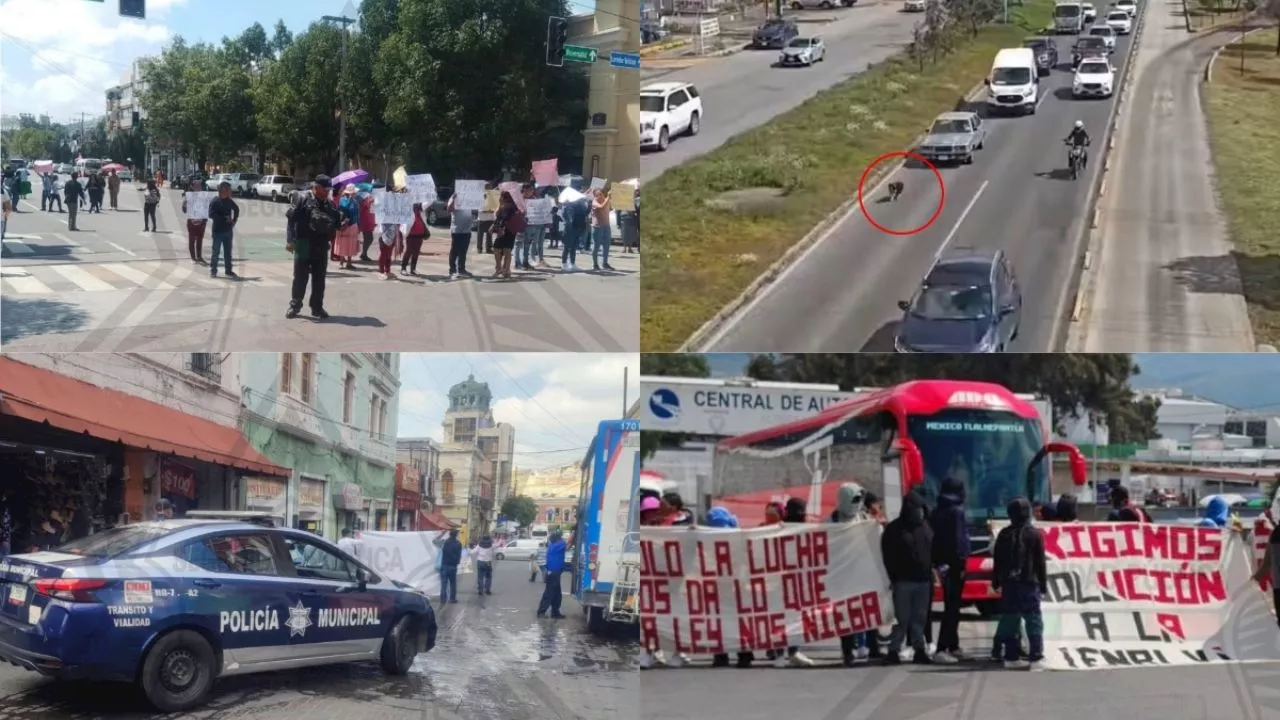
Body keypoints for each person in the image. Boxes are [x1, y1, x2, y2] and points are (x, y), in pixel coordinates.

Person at [991, 498, 1048, 671]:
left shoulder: (1004, 534)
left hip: (1009, 584)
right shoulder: (1035, 534)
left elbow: (997, 562)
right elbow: (1040, 563)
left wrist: (996, 582)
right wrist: (1043, 585)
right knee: (1033, 620)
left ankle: (1011, 656)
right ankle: (1036, 658)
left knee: (1010, 620)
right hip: (1029, 583)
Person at [881, 490, 934, 666]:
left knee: (920, 618)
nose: (919, 512)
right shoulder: (894, 529)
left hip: (923, 580)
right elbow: (887, 555)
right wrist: (892, 577)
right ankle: (894, 650)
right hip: (902, 581)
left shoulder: (925, 527)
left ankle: (919, 649)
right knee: (901, 619)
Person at [286, 174, 341, 319]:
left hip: (321, 245)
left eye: (329, 189)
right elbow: (291, 221)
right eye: (325, 189)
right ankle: (295, 305)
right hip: (303, 243)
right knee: (300, 277)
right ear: (316, 188)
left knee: (319, 278)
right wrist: (290, 240)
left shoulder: (329, 204)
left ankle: (317, 307)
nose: (328, 192)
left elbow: (336, 223)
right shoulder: (302, 199)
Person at [831, 483, 875, 663]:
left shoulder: (863, 518)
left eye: (860, 499)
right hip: (841, 575)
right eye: (855, 499)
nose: (858, 503)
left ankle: (864, 645)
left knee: (862, 611)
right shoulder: (831, 522)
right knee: (845, 615)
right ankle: (848, 649)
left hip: (861, 573)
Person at [930, 476, 970, 664]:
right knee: (952, 609)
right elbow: (959, 541)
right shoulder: (957, 512)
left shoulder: (936, 511)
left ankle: (953, 645)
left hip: (941, 565)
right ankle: (942, 648)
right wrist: (962, 564)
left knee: (950, 605)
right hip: (955, 566)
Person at [1251, 492, 1280, 624]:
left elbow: (1266, 565)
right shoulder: (1275, 534)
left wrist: (1250, 583)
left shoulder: (1275, 533)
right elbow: (1266, 564)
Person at [207, 181, 240, 278]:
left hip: (228, 231)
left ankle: (228, 271)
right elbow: (210, 214)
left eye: (229, 189)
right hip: (217, 231)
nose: (230, 191)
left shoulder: (229, 201)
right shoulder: (215, 201)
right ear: (222, 190)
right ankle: (213, 270)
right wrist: (222, 217)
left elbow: (236, 209)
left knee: (228, 252)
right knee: (215, 252)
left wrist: (234, 220)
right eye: (228, 189)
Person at [537, 530, 568, 618]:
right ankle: (541, 611)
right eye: (561, 538)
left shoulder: (553, 546)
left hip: (555, 573)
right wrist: (574, 533)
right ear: (558, 539)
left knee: (557, 594)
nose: (562, 539)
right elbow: (567, 543)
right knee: (549, 593)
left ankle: (555, 612)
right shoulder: (556, 546)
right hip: (553, 573)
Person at [492, 191, 522, 278]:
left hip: (504, 230)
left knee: (496, 248)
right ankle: (507, 270)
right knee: (507, 250)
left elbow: (500, 217)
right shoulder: (514, 206)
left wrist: (500, 205)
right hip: (512, 231)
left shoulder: (505, 206)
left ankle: (499, 268)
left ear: (503, 197)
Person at [333, 185, 362, 270]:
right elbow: (348, 211)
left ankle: (346, 262)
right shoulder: (348, 201)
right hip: (348, 225)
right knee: (346, 243)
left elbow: (356, 214)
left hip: (348, 224)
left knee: (347, 243)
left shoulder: (350, 201)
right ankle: (344, 262)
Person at [446, 192, 474, 279]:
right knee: (455, 250)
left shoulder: (469, 198)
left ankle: (461, 269)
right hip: (457, 229)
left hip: (467, 229)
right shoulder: (453, 198)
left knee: (463, 251)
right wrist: (454, 199)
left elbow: (476, 207)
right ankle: (452, 270)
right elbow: (449, 209)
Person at [181, 177, 207, 264]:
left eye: (200, 185)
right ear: (193, 187)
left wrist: (205, 220)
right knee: (192, 239)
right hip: (192, 221)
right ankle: (193, 258)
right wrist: (185, 204)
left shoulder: (204, 196)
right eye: (197, 185)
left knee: (200, 239)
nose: (200, 187)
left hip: (202, 221)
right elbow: (184, 210)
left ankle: (199, 256)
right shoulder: (188, 196)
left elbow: (207, 208)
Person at [400, 201, 430, 276]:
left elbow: (427, 203)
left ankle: (413, 269)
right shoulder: (407, 209)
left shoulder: (419, 208)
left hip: (419, 234)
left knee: (416, 252)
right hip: (411, 234)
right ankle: (403, 268)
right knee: (408, 251)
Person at [434, 528, 463, 604]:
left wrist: (442, 534)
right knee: (453, 583)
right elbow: (459, 556)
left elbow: (434, 541)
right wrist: (457, 563)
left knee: (444, 584)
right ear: (456, 535)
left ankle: (443, 600)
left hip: (444, 566)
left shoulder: (444, 543)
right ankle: (452, 599)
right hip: (453, 566)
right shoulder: (459, 544)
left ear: (449, 534)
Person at [589, 187, 615, 272]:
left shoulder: (607, 201)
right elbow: (601, 207)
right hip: (597, 227)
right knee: (596, 246)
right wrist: (608, 197)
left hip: (606, 226)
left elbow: (612, 207)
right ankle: (595, 264)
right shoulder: (594, 202)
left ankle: (605, 263)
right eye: (597, 195)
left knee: (606, 246)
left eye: (601, 194)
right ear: (595, 196)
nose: (600, 196)